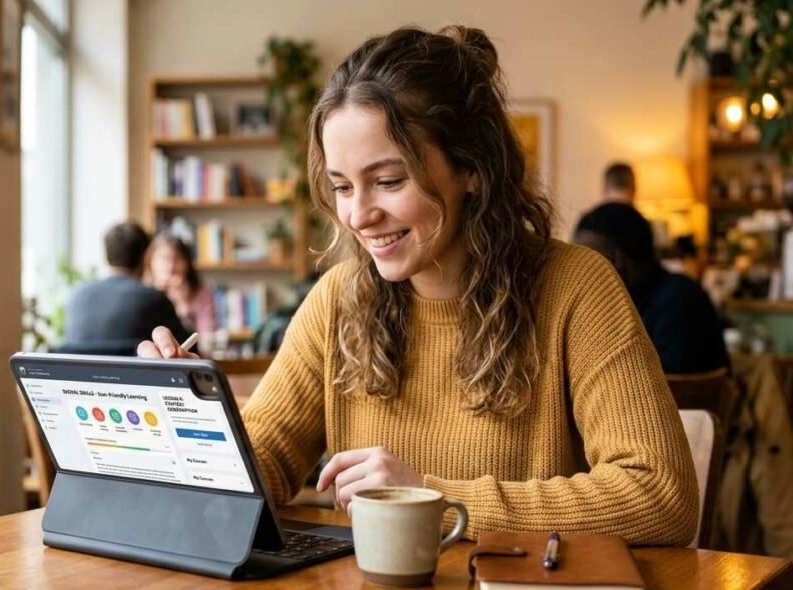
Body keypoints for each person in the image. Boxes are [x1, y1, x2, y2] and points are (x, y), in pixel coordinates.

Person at [138, 26, 697, 545]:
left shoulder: (576, 288)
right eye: (342, 187)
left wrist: (434, 501)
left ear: (471, 168)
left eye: (388, 180)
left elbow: (660, 496)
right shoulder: (337, 300)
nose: (359, 216)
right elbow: (263, 462)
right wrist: (189, 417)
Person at [573, 202, 729, 374]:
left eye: (585, 262)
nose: (579, 274)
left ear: (616, 260)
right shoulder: (633, 298)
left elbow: (668, 382)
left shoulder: (678, 300)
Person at [61, 222, 189, 355]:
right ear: (146, 256)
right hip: (134, 369)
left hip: (78, 369)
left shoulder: (77, 295)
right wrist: (183, 304)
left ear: (107, 255)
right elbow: (185, 350)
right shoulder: (154, 298)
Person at [146, 234, 217, 337]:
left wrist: (183, 304)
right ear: (151, 261)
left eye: (177, 259)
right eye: (164, 258)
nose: (171, 266)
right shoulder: (142, 294)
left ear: (187, 263)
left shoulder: (202, 295)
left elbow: (206, 336)